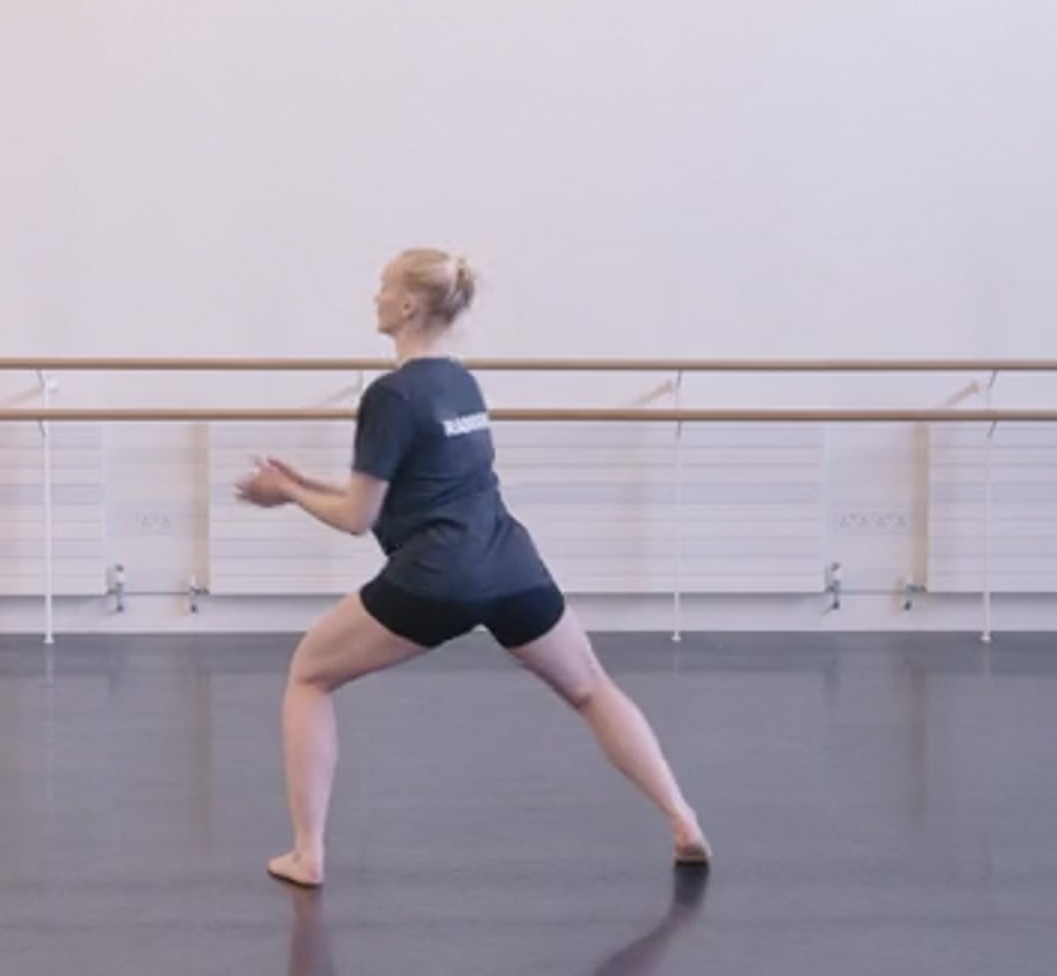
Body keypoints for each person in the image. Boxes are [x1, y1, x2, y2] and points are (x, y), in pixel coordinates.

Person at [236, 248, 710, 887]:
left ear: (407, 305)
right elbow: (414, 486)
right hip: (509, 563)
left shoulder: (390, 395)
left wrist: (287, 494)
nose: (374, 297)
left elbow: (356, 518)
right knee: (592, 686)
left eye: (383, 287)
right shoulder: (460, 380)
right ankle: (683, 820)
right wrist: (303, 481)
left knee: (309, 676)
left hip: (439, 576)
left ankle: (308, 853)